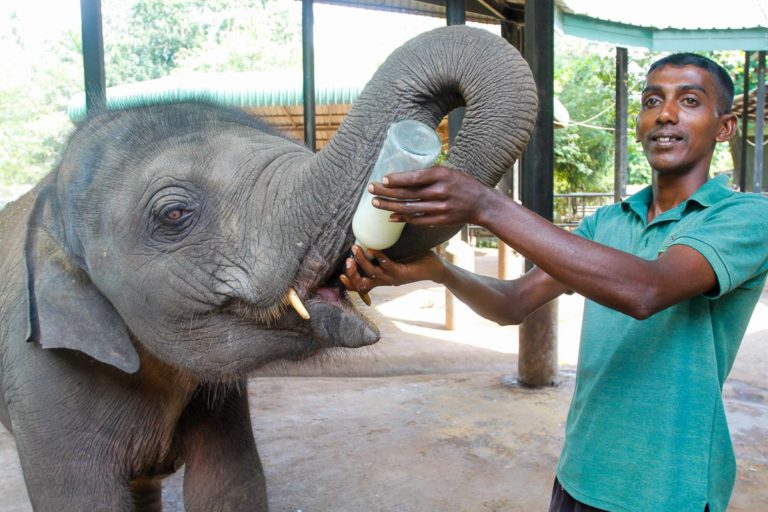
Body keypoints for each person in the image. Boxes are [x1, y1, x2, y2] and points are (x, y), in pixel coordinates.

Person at [341, 53, 768, 512]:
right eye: (651, 101)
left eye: (688, 100)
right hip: (581, 474)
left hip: (670, 490)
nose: (665, 114)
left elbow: (648, 290)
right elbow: (513, 303)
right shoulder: (606, 223)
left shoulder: (745, 217)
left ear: (724, 128)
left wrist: (487, 206)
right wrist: (439, 270)